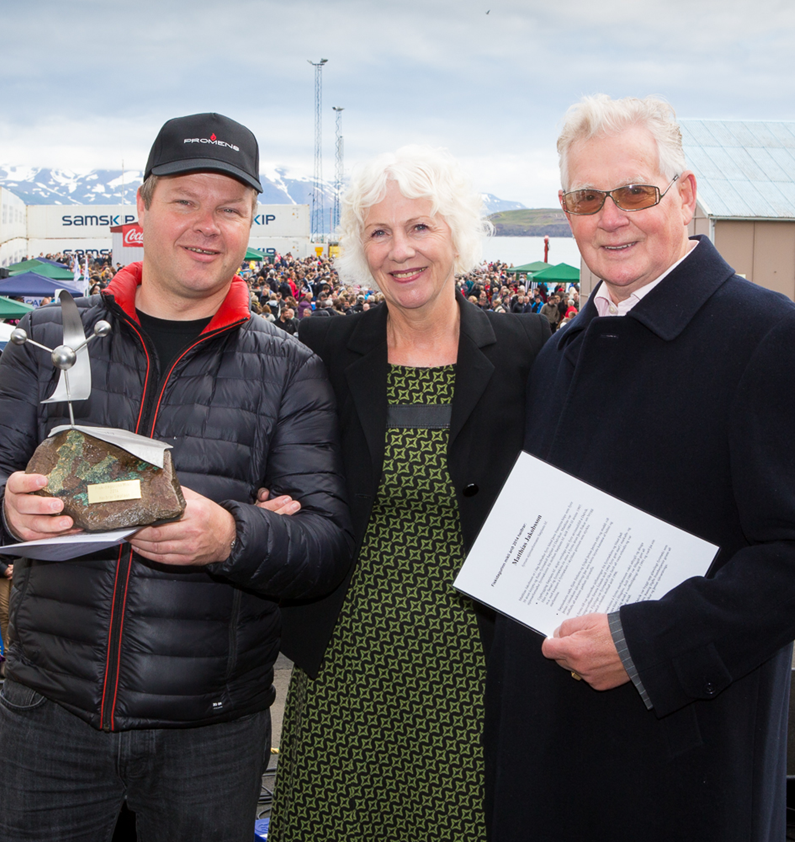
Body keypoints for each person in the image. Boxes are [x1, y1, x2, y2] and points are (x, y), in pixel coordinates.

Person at [0, 112, 352, 842]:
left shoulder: (289, 368)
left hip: (210, 734)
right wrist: (5, 508)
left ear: (251, 224)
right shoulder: (47, 342)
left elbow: (321, 546)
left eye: (230, 209)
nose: (206, 225)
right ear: (141, 207)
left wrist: (232, 534)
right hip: (48, 717)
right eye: (184, 201)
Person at [484, 94, 795, 842]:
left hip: (678, 767)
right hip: (549, 756)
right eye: (587, 198)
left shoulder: (766, 335)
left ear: (683, 197)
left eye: (634, 192)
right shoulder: (561, 352)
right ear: (565, 209)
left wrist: (644, 644)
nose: (610, 217)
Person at [268, 145, 549, 841]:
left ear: (456, 235)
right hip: (344, 662)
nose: (401, 250)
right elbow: (282, 459)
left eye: (420, 227)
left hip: (471, 666)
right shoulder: (323, 345)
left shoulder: (525, 347)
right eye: (379, 231)